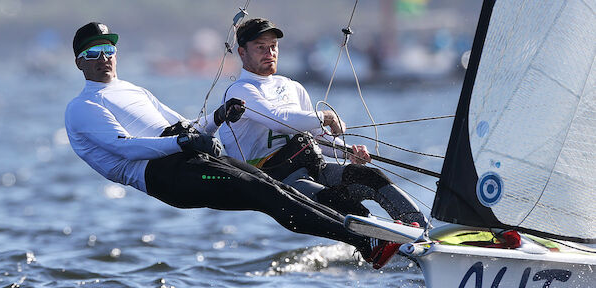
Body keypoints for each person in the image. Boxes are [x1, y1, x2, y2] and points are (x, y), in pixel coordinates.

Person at [65, 22, 399, 269]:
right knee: (267, 194)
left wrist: (219, 117)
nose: (103, 58)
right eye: (93, 53)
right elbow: (128, 148)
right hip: (165, 176)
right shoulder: (82, 107)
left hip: (189, 159)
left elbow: (192, 128)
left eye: (109, 50)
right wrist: (184, 142)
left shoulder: (133, 90)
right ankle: (366, 242)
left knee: (276, 187)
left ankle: (373, 232)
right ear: (80, 62)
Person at [219, 18, 427, 227]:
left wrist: (348, 152)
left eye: (273, 46)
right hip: (275, 182)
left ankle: (422, 230)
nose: (269, 53)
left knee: (371, 177)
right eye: (260, 47)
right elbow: (279, 121)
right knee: (342, 205)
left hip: (311, 167)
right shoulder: (240, 90)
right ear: (242, 52)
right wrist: (326, 117)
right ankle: (386, 239)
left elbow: (317, 137)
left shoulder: (292, 87)